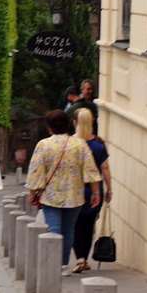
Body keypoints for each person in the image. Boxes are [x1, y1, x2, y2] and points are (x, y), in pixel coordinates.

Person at [26, 109, 101, 273]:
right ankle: (63, 264)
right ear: (68, 125)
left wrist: (32, 194)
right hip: (74, 196)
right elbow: (91, 170)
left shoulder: (44, 145)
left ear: (49, 127)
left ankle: (53, 265)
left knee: (54, 228)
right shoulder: (79, 144)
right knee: (68, 231)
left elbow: (36, 172)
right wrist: (95, 193)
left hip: (51, 196)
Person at [71, 108, 112, 273]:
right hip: (94, 192)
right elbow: (106, 168)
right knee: (88, 226)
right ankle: (84, 258)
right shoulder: (99, 144)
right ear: (92, 122)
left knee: (74, 225)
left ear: (75, 123)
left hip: (74, 190)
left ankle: (79, 258)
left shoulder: (71, 143)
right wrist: (109, 189)